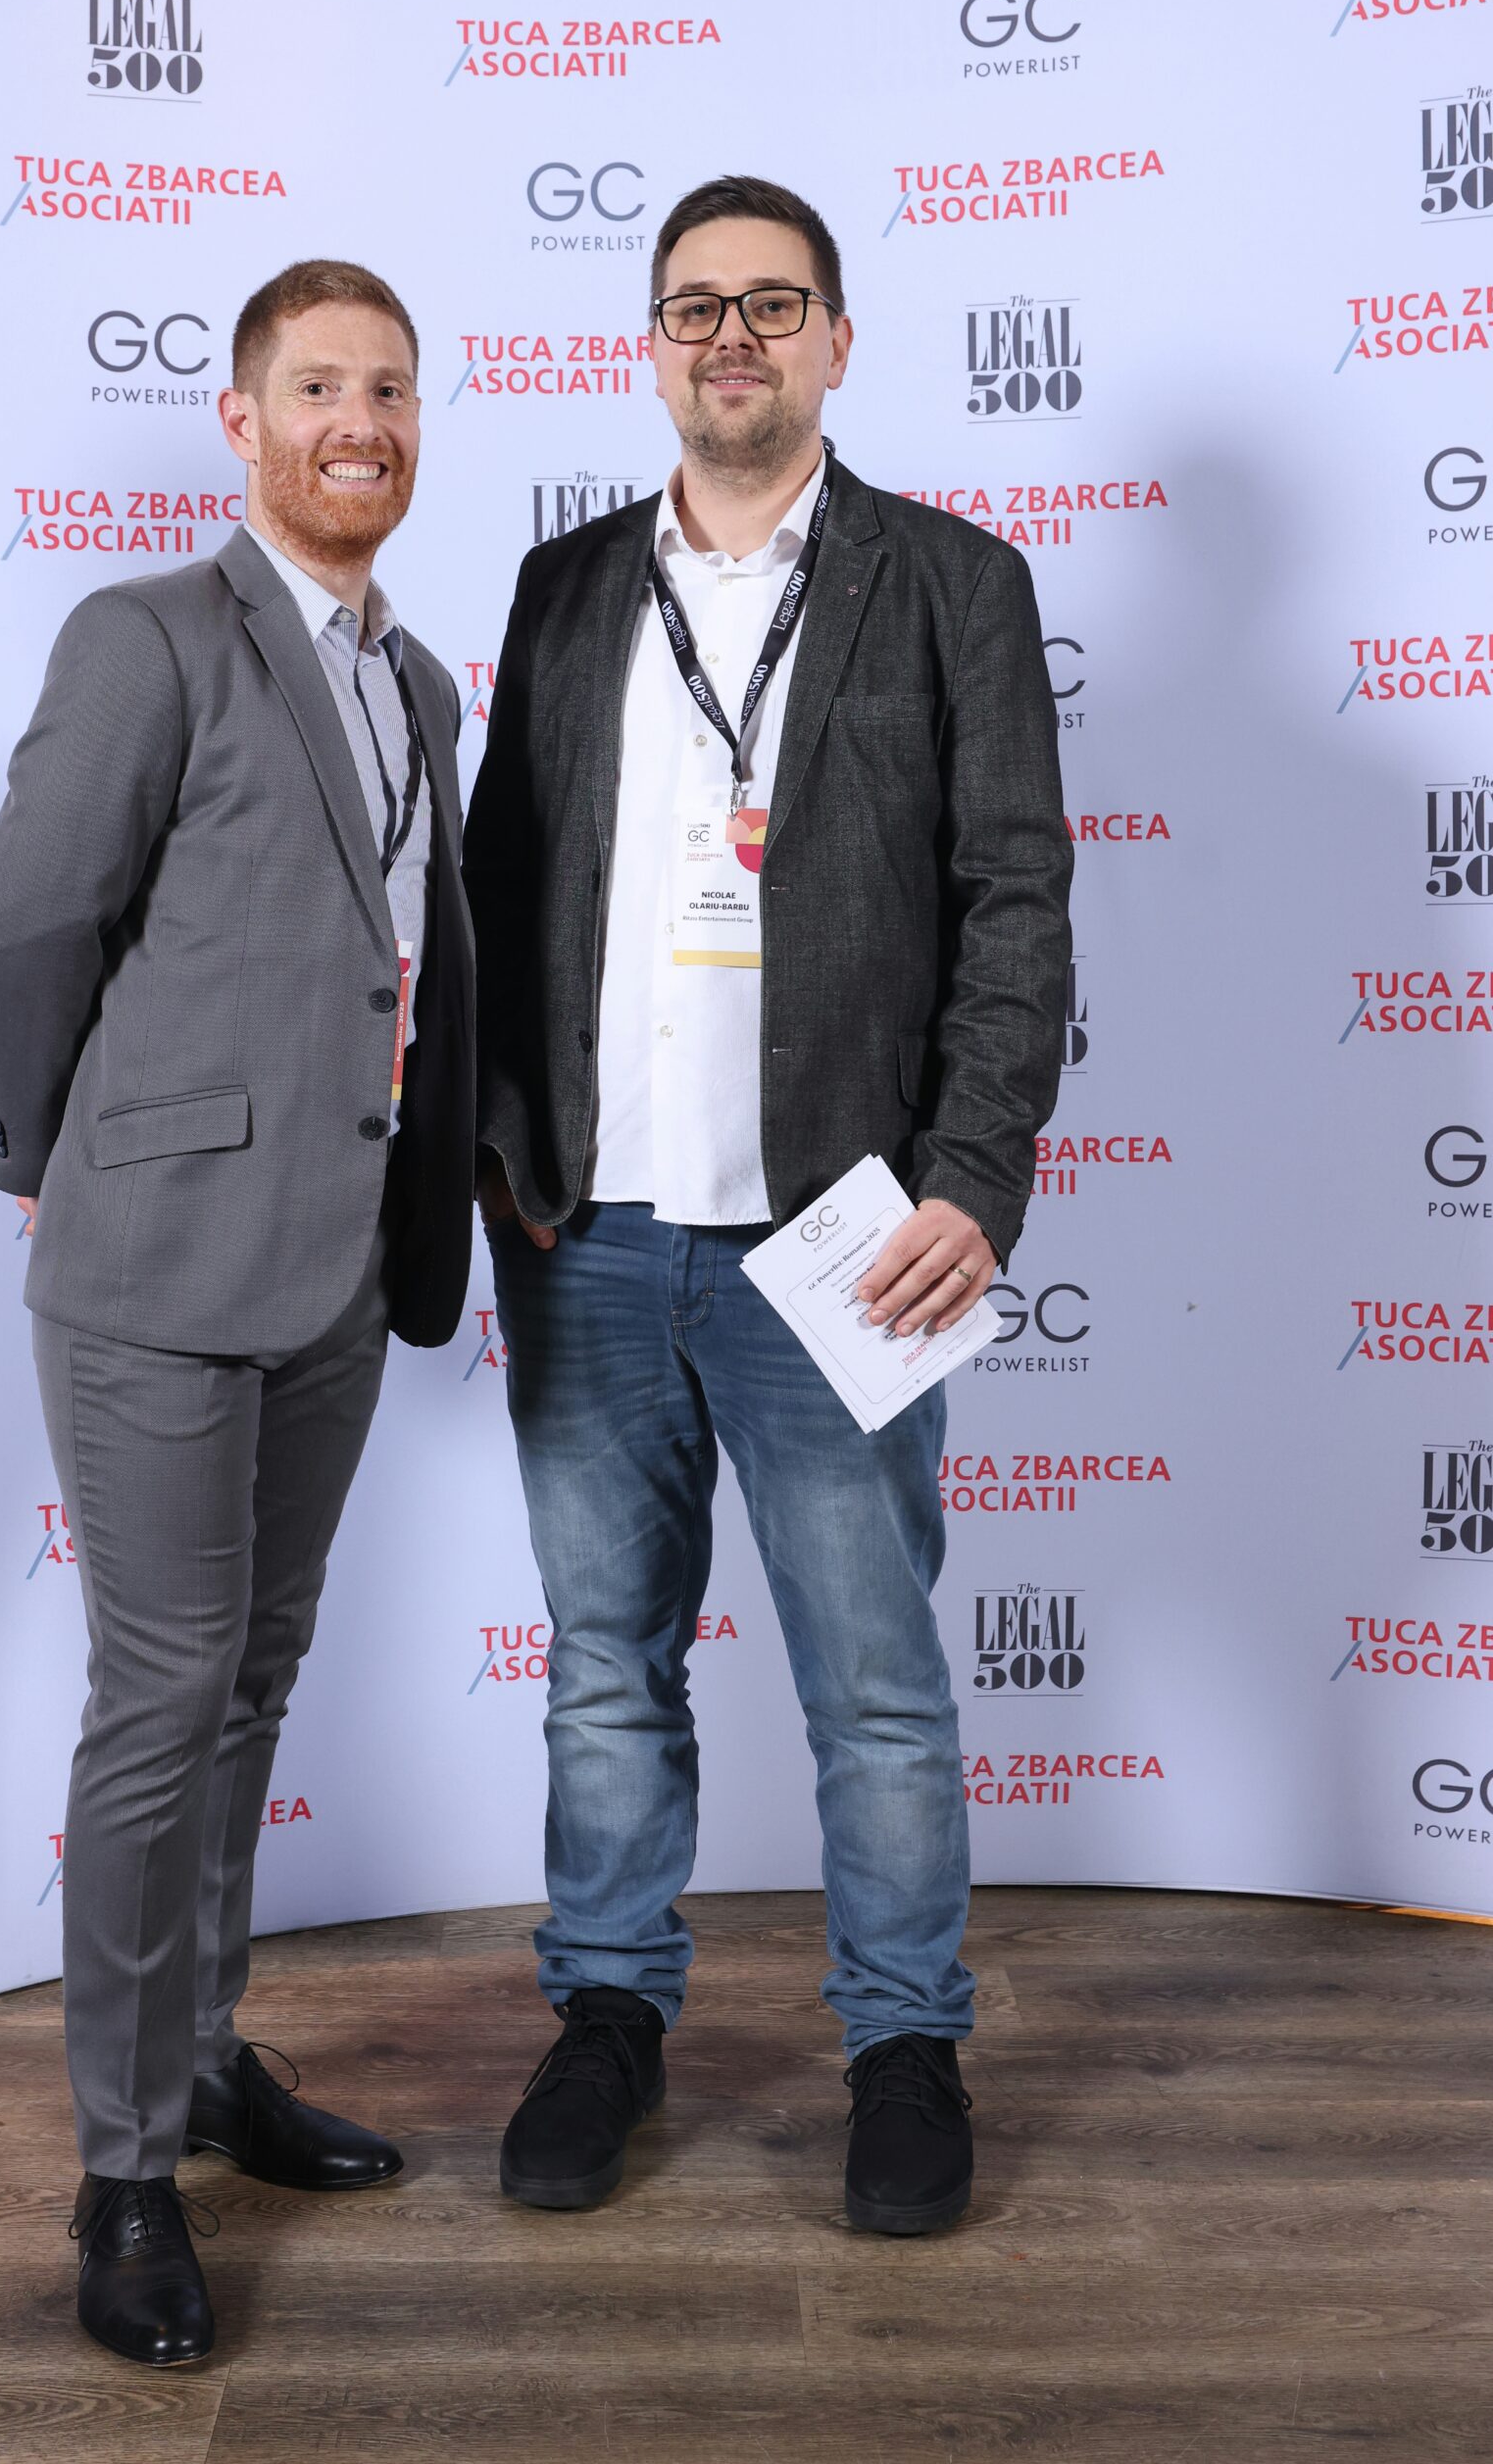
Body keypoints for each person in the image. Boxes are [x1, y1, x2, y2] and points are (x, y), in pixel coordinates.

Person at [463, 174, 1070, 2235]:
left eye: (773, 304)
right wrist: (505, 1162)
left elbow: (1015, 905)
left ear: (835, 341)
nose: (733, 335)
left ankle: (903, 2043)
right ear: (651, 346)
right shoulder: (562, 588)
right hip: (593, 1238)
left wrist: (973, 1179)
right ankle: (606, 2014)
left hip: (847, 1236)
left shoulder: (953, 583)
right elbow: (498, 889)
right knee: (602, 1667)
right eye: (696, 305)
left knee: (874, 1683)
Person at [0, 260, 473, 2363]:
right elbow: (29, 921)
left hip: (335, 1263)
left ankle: (198, 2063)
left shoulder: (419, 681)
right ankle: (120, 2174)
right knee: (161, 1695)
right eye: (320, 386)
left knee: (251, 1680)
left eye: (392, 390)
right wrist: (45, 1147)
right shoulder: (151, 634)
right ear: (243, 421)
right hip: (157, 1263)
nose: (361, 421)